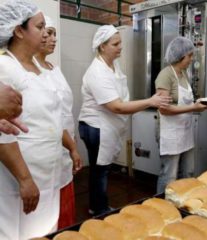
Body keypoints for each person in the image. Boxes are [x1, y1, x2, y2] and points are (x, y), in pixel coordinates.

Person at [78, 25, 170, 216]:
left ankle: (98, 205)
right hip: (95, 126)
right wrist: (150, 101)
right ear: (102, 46)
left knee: (101, 169)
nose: (120, 47)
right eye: (115, 44)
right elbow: (117, 106)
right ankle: (99, 210)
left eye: (120, 43)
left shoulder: (113, 65)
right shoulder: (97, 72)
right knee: (99, 170)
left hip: (105, 125)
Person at [0, 0, 64, 239]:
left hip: (48, 174)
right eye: (39, 27)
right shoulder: (5, 67)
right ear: (18, 30)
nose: (46, 33)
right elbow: (3, 132)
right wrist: (25, 179)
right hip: (19, 179)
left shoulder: (39, 66)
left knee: (46, 230)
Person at [34, 16, 82, 229]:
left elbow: (64, 112)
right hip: (47, 147)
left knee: (64, 195)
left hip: (65, 143)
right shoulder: (31, 70)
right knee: (47, 208)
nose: (53, 38)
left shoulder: (54, 67)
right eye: (48, 32)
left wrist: (72, 143)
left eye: (54, 33)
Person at [155, 36, 207, 193]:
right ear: (180, 56)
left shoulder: (184, 74)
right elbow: (164, 108)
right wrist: (192, 107)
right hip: (170, 132)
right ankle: (162, 207)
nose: (192, 59)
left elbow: (186, 102)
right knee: (169, 175)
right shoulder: (165, 75)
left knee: (187, 173)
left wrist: (203, 104)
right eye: (189, 56)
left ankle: (182, 205)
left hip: (184, 132)